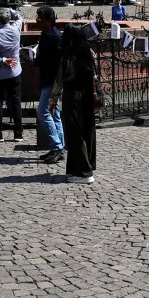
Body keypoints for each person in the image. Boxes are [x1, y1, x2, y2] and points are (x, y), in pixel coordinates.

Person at [49, 23, 98, 184]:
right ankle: (86, 166)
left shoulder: (68, 57)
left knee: (75, 134)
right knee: (87, 131)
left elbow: (59, 80)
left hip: (73, 96)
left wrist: (53, 99)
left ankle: (83, 172)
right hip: (88, 96)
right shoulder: (89, 53)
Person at [0, 8, 24, 142]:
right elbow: (20, 17)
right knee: (15, 102)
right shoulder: (16, 28)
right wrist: (11, 10)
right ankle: (18, 133)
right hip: (14, 71)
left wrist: (2, 60)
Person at [33, 6, 64, 163]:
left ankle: (56, 145)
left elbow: (59, 62)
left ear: (49, 20)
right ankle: (59, 147)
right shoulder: (46, 35)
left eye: (40, 18)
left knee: (42, 112)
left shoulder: (56, 37)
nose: (37, 20)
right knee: (54, 113)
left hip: (53, 83)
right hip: (48, 80)